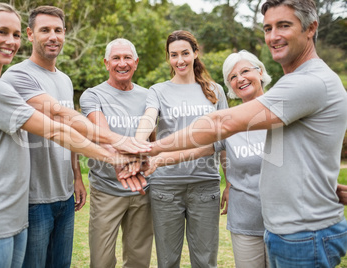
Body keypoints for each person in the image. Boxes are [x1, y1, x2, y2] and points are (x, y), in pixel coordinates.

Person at [147, 0, 347, 267]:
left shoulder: (308, 82)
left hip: (303, 233)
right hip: (285, 229)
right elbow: (293, 155)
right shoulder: (292, 85)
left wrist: (149, 148)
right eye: (267, 28)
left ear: (311, 28)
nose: (273, 36)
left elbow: (221, 122)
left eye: (284, 26)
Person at [0, 3, 133, 267]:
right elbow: (58, 124)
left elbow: (63, 126)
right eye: (2, 32)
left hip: (18, 211)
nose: (10, 41)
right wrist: (117, 150)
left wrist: (76, 176)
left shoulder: (0, 82)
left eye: (14, 35)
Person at [135, 30, 228, 268]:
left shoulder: (215, 91)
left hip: (205, 185)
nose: (180, 60)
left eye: (185, 53)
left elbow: (221, 143)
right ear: (168, 58)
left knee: (206, 262)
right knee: (167, 261)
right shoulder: (158, 90)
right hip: (166, 187)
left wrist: (230, 182)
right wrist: (136, 143)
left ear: (196, 53)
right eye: (173, 55)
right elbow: (149, 117)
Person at [2, 6, 83, 267]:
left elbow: (69, 134)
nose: (53, 37)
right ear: (30, 34)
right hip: (34, 199)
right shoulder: (17, 75)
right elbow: (60, 119)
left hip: (65, 196)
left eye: (58, 30)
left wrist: (77, 177)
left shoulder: (65, 80)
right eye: (45, 30)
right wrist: (115, 143)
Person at [79, 38, 153, 268]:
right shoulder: (92, 95)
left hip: (142, 189)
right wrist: (121, 162)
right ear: (106, 63)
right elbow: (103, 135)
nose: (122, 63)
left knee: (139, 260)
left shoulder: (148, 96)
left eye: (127, 57)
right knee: (101, 260)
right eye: (116, 58)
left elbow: (153, 138)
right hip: (107, 190)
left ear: (136, 62)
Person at [217, 50, 272, 268]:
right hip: (245, 221)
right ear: (230, 86)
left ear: (260, 72)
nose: (240, 79)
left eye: (245, 71)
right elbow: (206, 150)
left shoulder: (284, 111)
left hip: (286, 222)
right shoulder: (229, 122)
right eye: (232, 77)